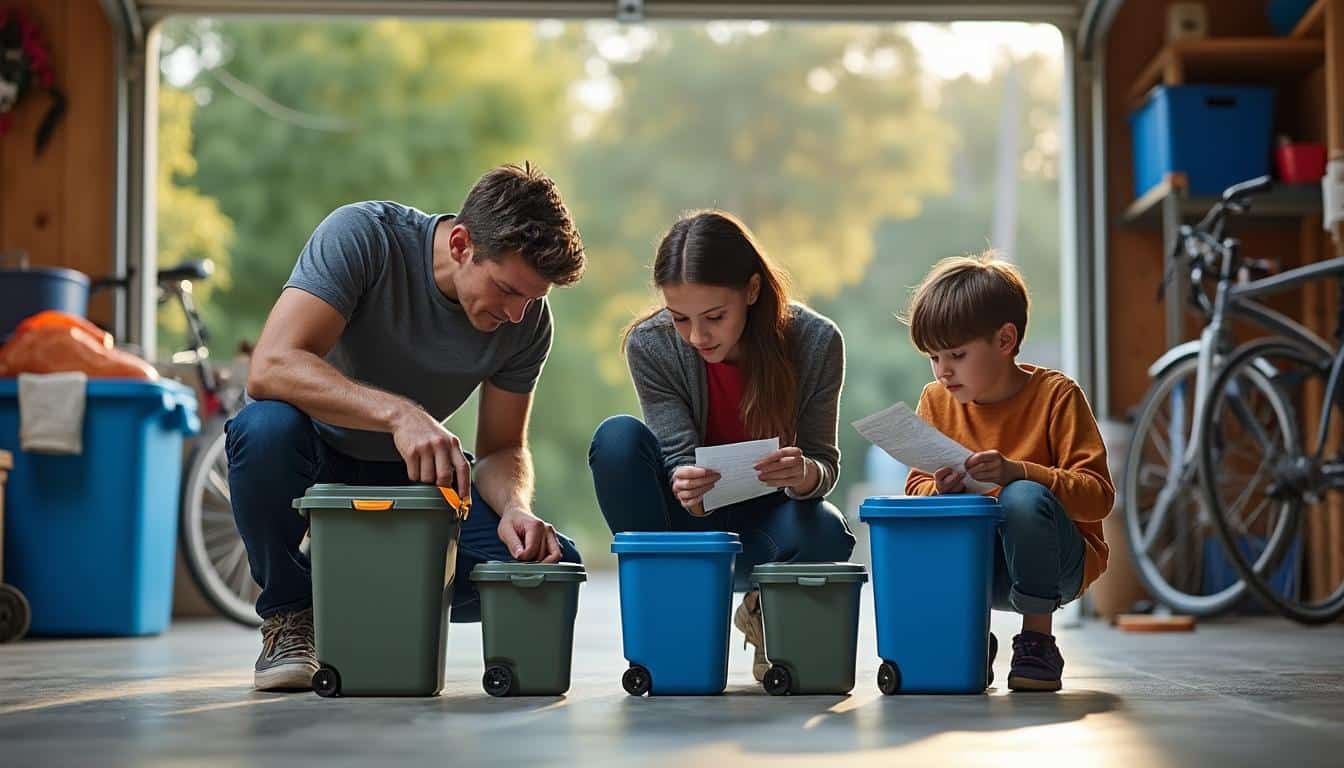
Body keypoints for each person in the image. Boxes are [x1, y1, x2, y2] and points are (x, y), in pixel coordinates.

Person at [227, 163, 586, 691]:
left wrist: (515, 508)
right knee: (263, 430)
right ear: (462, 244)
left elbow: (503, 448)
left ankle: (349, 590)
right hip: (316, 459)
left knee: (547, 566)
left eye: (533, 299)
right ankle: (290, 614)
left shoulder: (527, 322)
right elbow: (271, 365)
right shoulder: (364, 237)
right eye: (508, 290)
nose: (517, 314)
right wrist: (400, 414)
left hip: (414, 481)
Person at [588, 210, 855, 682]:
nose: (697, 336)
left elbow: (824, 464)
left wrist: (804, 474)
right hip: (685, 524)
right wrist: (682, 481)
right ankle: (667, 611)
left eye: (714, 317)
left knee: (827, 531)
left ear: (752, 291)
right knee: (616, 439)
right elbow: (674, 454)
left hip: (769, 526)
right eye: (679, 319)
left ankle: (763, 609)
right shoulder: (650, 345)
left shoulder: (816, 342)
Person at [902, 252, 1113, 692]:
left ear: (1004, 340)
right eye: (933, 357)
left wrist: (1019, 472)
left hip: (1056, 567)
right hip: (985, 571)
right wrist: (940, 492)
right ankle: (967, 638)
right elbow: (915, 487)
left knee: (1021, 496)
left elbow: (1098, 496)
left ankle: (1037, 640)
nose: (943, 371)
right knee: (937, 515)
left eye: (956, 354)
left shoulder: (1057, 396)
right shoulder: (935, 401)